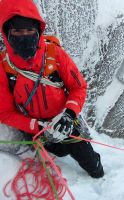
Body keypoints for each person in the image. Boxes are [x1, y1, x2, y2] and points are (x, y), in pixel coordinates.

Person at [0, 0, 104, 178]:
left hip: (64, 121)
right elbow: (5, 112)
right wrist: (36, 125)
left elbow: (78, 87)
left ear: (38, 31)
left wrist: (69, 114)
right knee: (46, 158)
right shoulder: (4, 66)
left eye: (29, 30)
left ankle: (97, 171)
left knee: (93, 167)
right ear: (7, 33)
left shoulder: (54, 54)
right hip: (35, 128)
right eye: (17, 31)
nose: (24, 35)